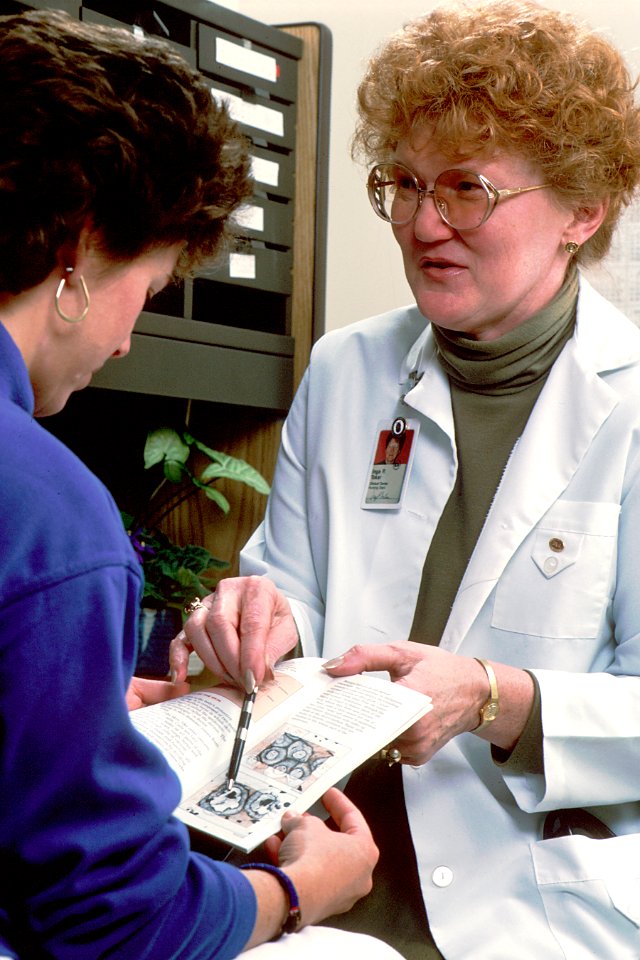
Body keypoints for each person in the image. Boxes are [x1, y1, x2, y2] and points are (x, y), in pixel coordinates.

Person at [171, 2, 640, 957]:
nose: (425, 224)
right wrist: (258, 613)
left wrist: (495, 696)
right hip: (323, 856)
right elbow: (291, 575)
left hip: (530, 893)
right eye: (406, 185)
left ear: (581, 210)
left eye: (467, 189)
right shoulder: (348, 368)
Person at [0, 10, 407, 960]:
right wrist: (297, 891)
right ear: (80, 252)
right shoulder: (51, 518)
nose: (128, 340)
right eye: (147, 288)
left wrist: (71, 712)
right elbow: (115, 923)